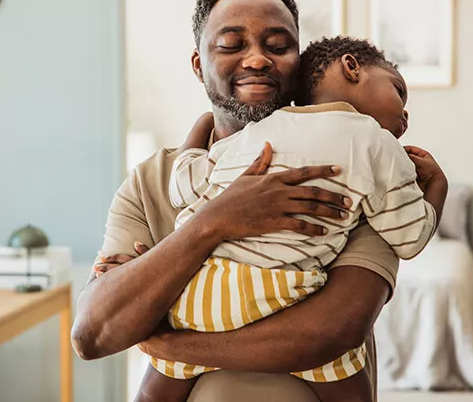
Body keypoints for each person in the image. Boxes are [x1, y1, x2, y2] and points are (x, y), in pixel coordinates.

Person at [71, 0, 444, 402]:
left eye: (278, 46)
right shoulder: (151, 180)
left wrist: (167, 339)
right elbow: (94, 333)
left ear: (299, 62)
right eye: (231, 45)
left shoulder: (344, 167)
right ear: (199, 64)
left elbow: (335, 328)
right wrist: (214, 222)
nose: (257, 60)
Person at [136, 36, 447, 401]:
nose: (405, 114)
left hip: (203, 294)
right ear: (352, 67)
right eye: (399, 91)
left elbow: (184, 188)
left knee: (153, 395)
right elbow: (409, 238)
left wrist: (200, 128)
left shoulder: (256, 131)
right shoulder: (377, 142)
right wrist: (437, 184)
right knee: (352, 384)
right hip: (288, 302)